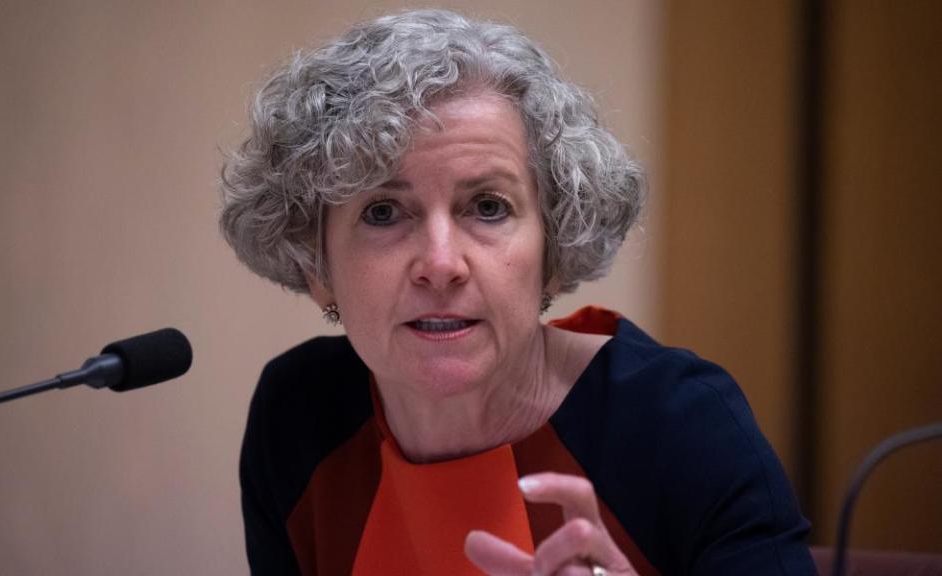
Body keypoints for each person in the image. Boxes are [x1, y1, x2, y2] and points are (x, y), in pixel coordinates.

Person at [220, 9, 815, 576]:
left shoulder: (681, 427)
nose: (441, 264)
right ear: (315, 263)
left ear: (554, 247)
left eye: (487, 207)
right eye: (382, 211)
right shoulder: (296, 417)